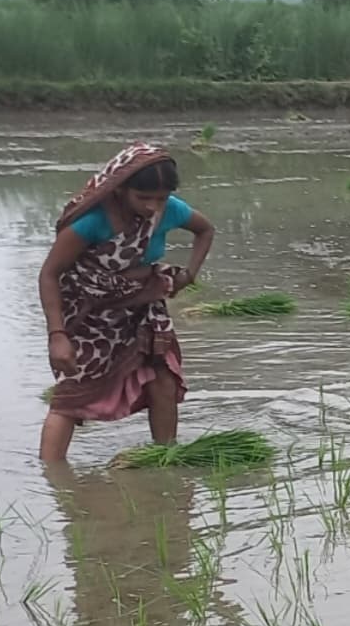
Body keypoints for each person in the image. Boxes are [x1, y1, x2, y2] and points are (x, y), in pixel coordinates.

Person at [38, 144, 216, 461]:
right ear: (120, 189)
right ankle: (53, 477)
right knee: (71, 397)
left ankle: (165, 459)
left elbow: (205, 230)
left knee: (162, 379)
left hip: (143, 307)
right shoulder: (92, 221)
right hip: (89, 314)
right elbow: (50, 275)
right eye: (143, 198)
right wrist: (58, 335)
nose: (152, 207)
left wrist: (189, 274)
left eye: (160, 198)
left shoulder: (170, 209)